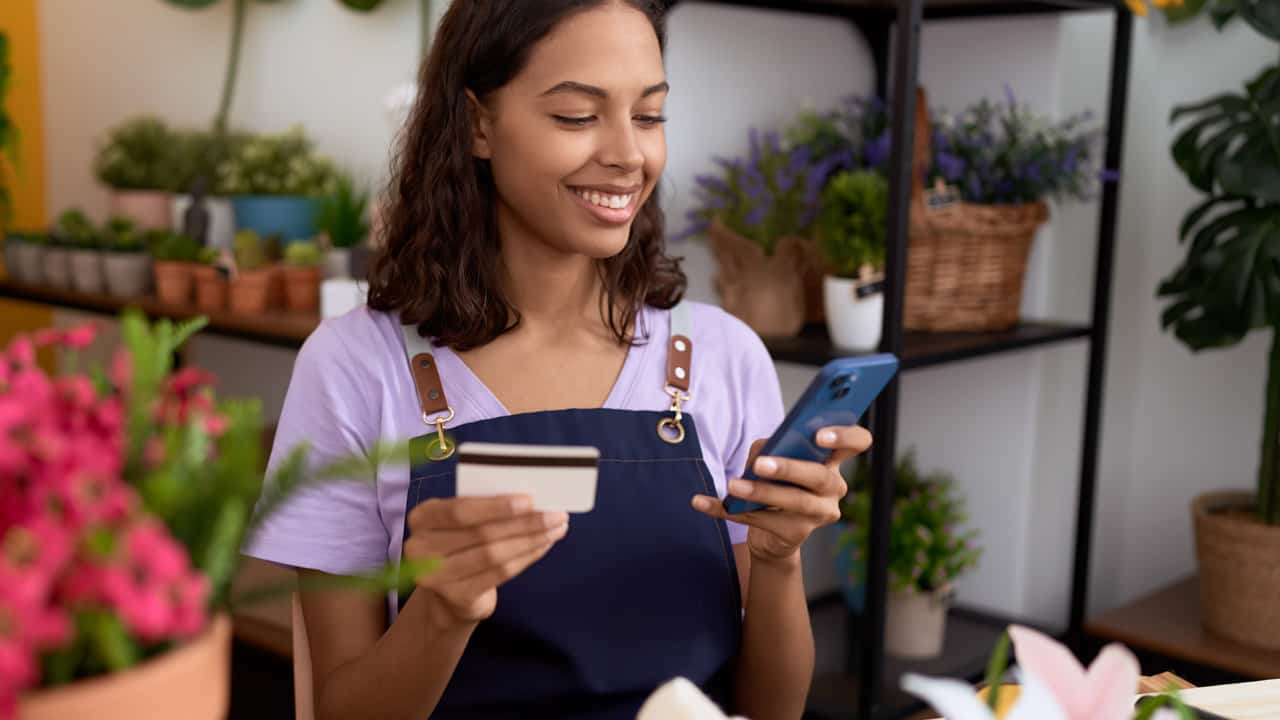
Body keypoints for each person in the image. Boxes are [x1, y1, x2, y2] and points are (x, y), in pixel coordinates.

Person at [242, 1, 873, 718]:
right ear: (478, 123)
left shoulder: (722, 357)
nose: (628, 154)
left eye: (650, 115)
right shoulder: (358, 366)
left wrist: (777, 558)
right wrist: (443, 609)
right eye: (578, 116)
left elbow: (771, 711)